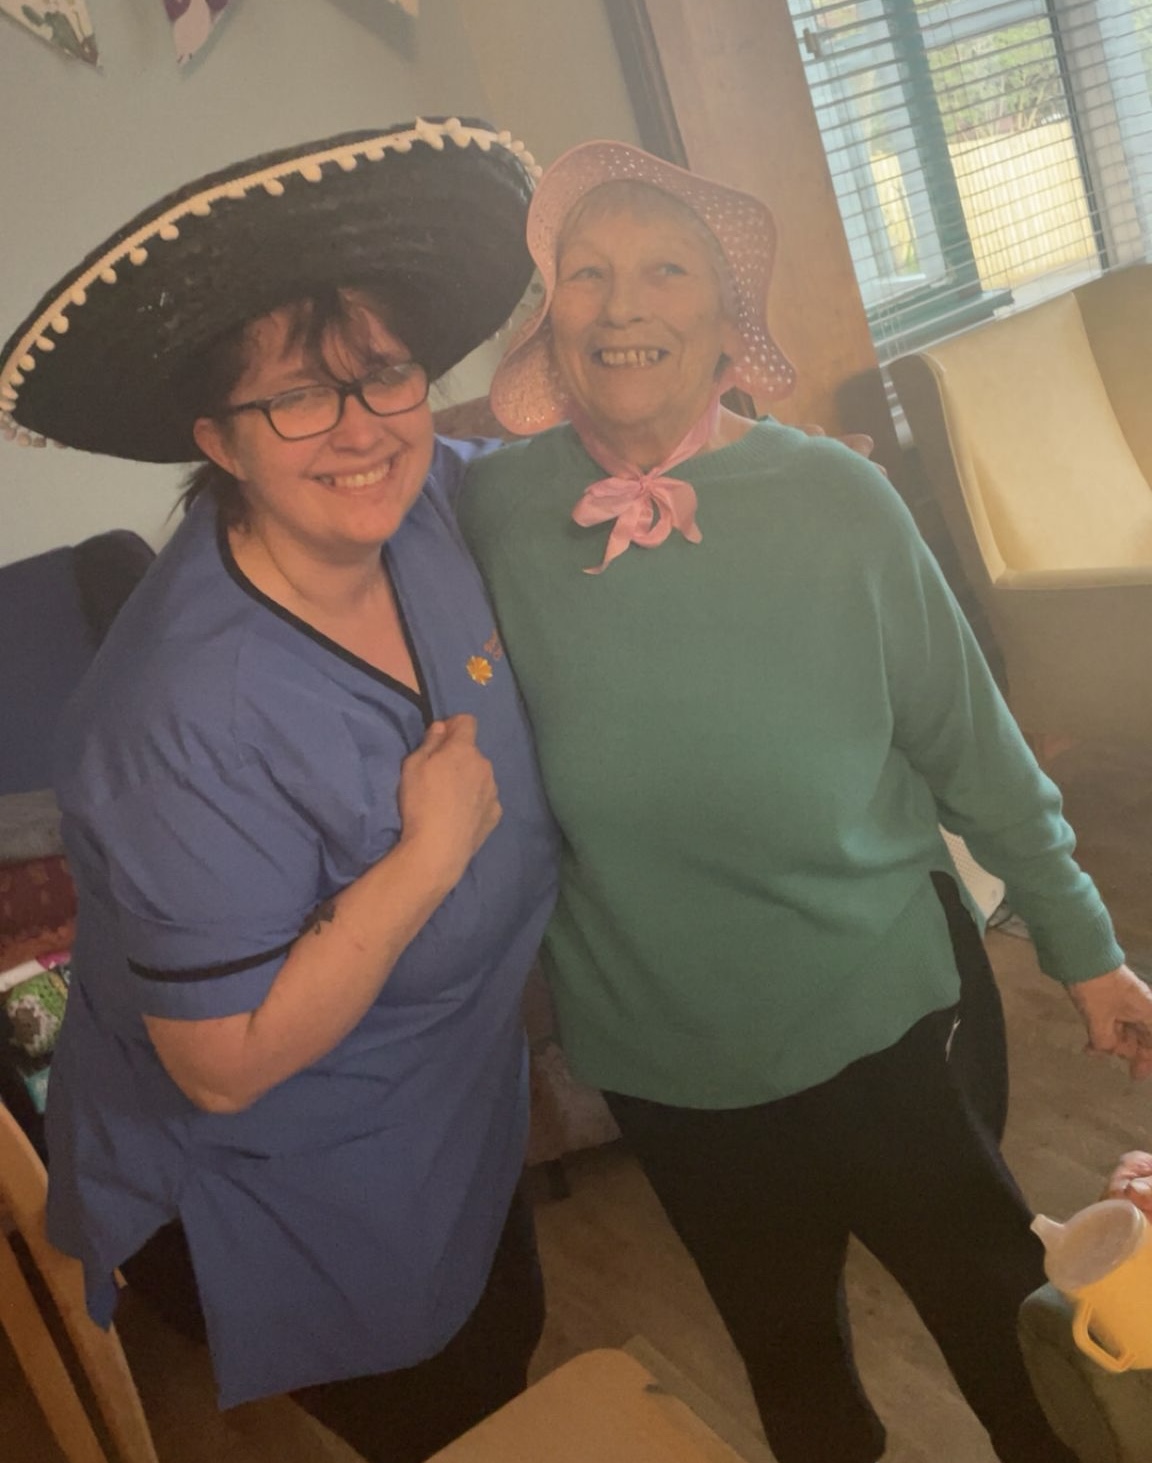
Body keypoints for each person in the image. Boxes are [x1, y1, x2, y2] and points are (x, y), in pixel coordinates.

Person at [456, 139, 1152, 1463]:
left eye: (666, 268)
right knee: (796, 1381)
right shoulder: (491, 514)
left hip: (883, 1016)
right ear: (550, 321)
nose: (623, 304)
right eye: (586, 274)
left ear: (729, 326)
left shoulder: (839, 500)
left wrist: (1087, 950)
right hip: (667, 1061)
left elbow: (978, 750)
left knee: (1016, 1353)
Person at [0, 118, 559, 1463]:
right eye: (298, 397)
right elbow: (227, 1062)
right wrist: (425, 860)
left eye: (386, 376)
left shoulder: (419, 507)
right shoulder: (174, 713)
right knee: (450, 1407)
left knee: (513, 1348)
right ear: (221, 441)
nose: (360, 429)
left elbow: (547, 468)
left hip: (450, 1097)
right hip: (299, 1178)